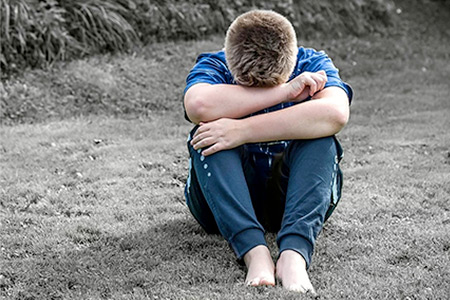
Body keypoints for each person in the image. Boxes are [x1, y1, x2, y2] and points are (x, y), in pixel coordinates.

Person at [183, 10, 353, 294]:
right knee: (208, 133)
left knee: (322, 137)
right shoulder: (215, 63)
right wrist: (284, 92)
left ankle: (294, 255)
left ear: (292, 63)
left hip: (292, 196)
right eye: (247, 87)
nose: (258, 94)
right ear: (229, 61)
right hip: (221, 204)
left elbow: (336, 113)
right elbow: (198, 106)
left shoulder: (312, 62)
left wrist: (242, 130)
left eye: (270, 85)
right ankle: (254, 252)